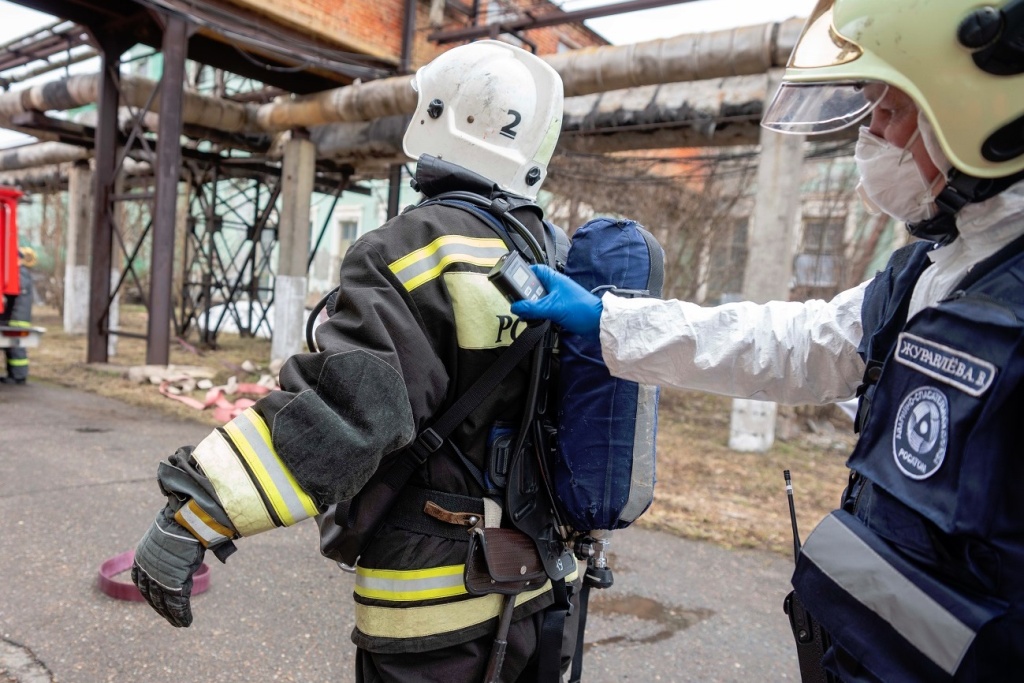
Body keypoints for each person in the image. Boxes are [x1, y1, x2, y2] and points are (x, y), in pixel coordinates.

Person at [512, 0, 1024, 680]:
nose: (872, 135)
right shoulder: (930, 273)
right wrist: (611, 319)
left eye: (890, 111)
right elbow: (789, 344)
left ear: (976, 110)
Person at [131, 40, 581, 682]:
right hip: (538, 589)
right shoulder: (553, 259)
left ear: (438, 116)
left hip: (434, 610)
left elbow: (353, 406)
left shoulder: (412, 247)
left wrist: (193, 514)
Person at [1, 245, 35, 385]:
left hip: (18, 318)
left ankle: (19, 376)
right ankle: (13, 375)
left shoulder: (21, 274)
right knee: (12, 347)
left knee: (16, 347)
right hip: (15, 317)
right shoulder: (20, 273)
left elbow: (13, 293)